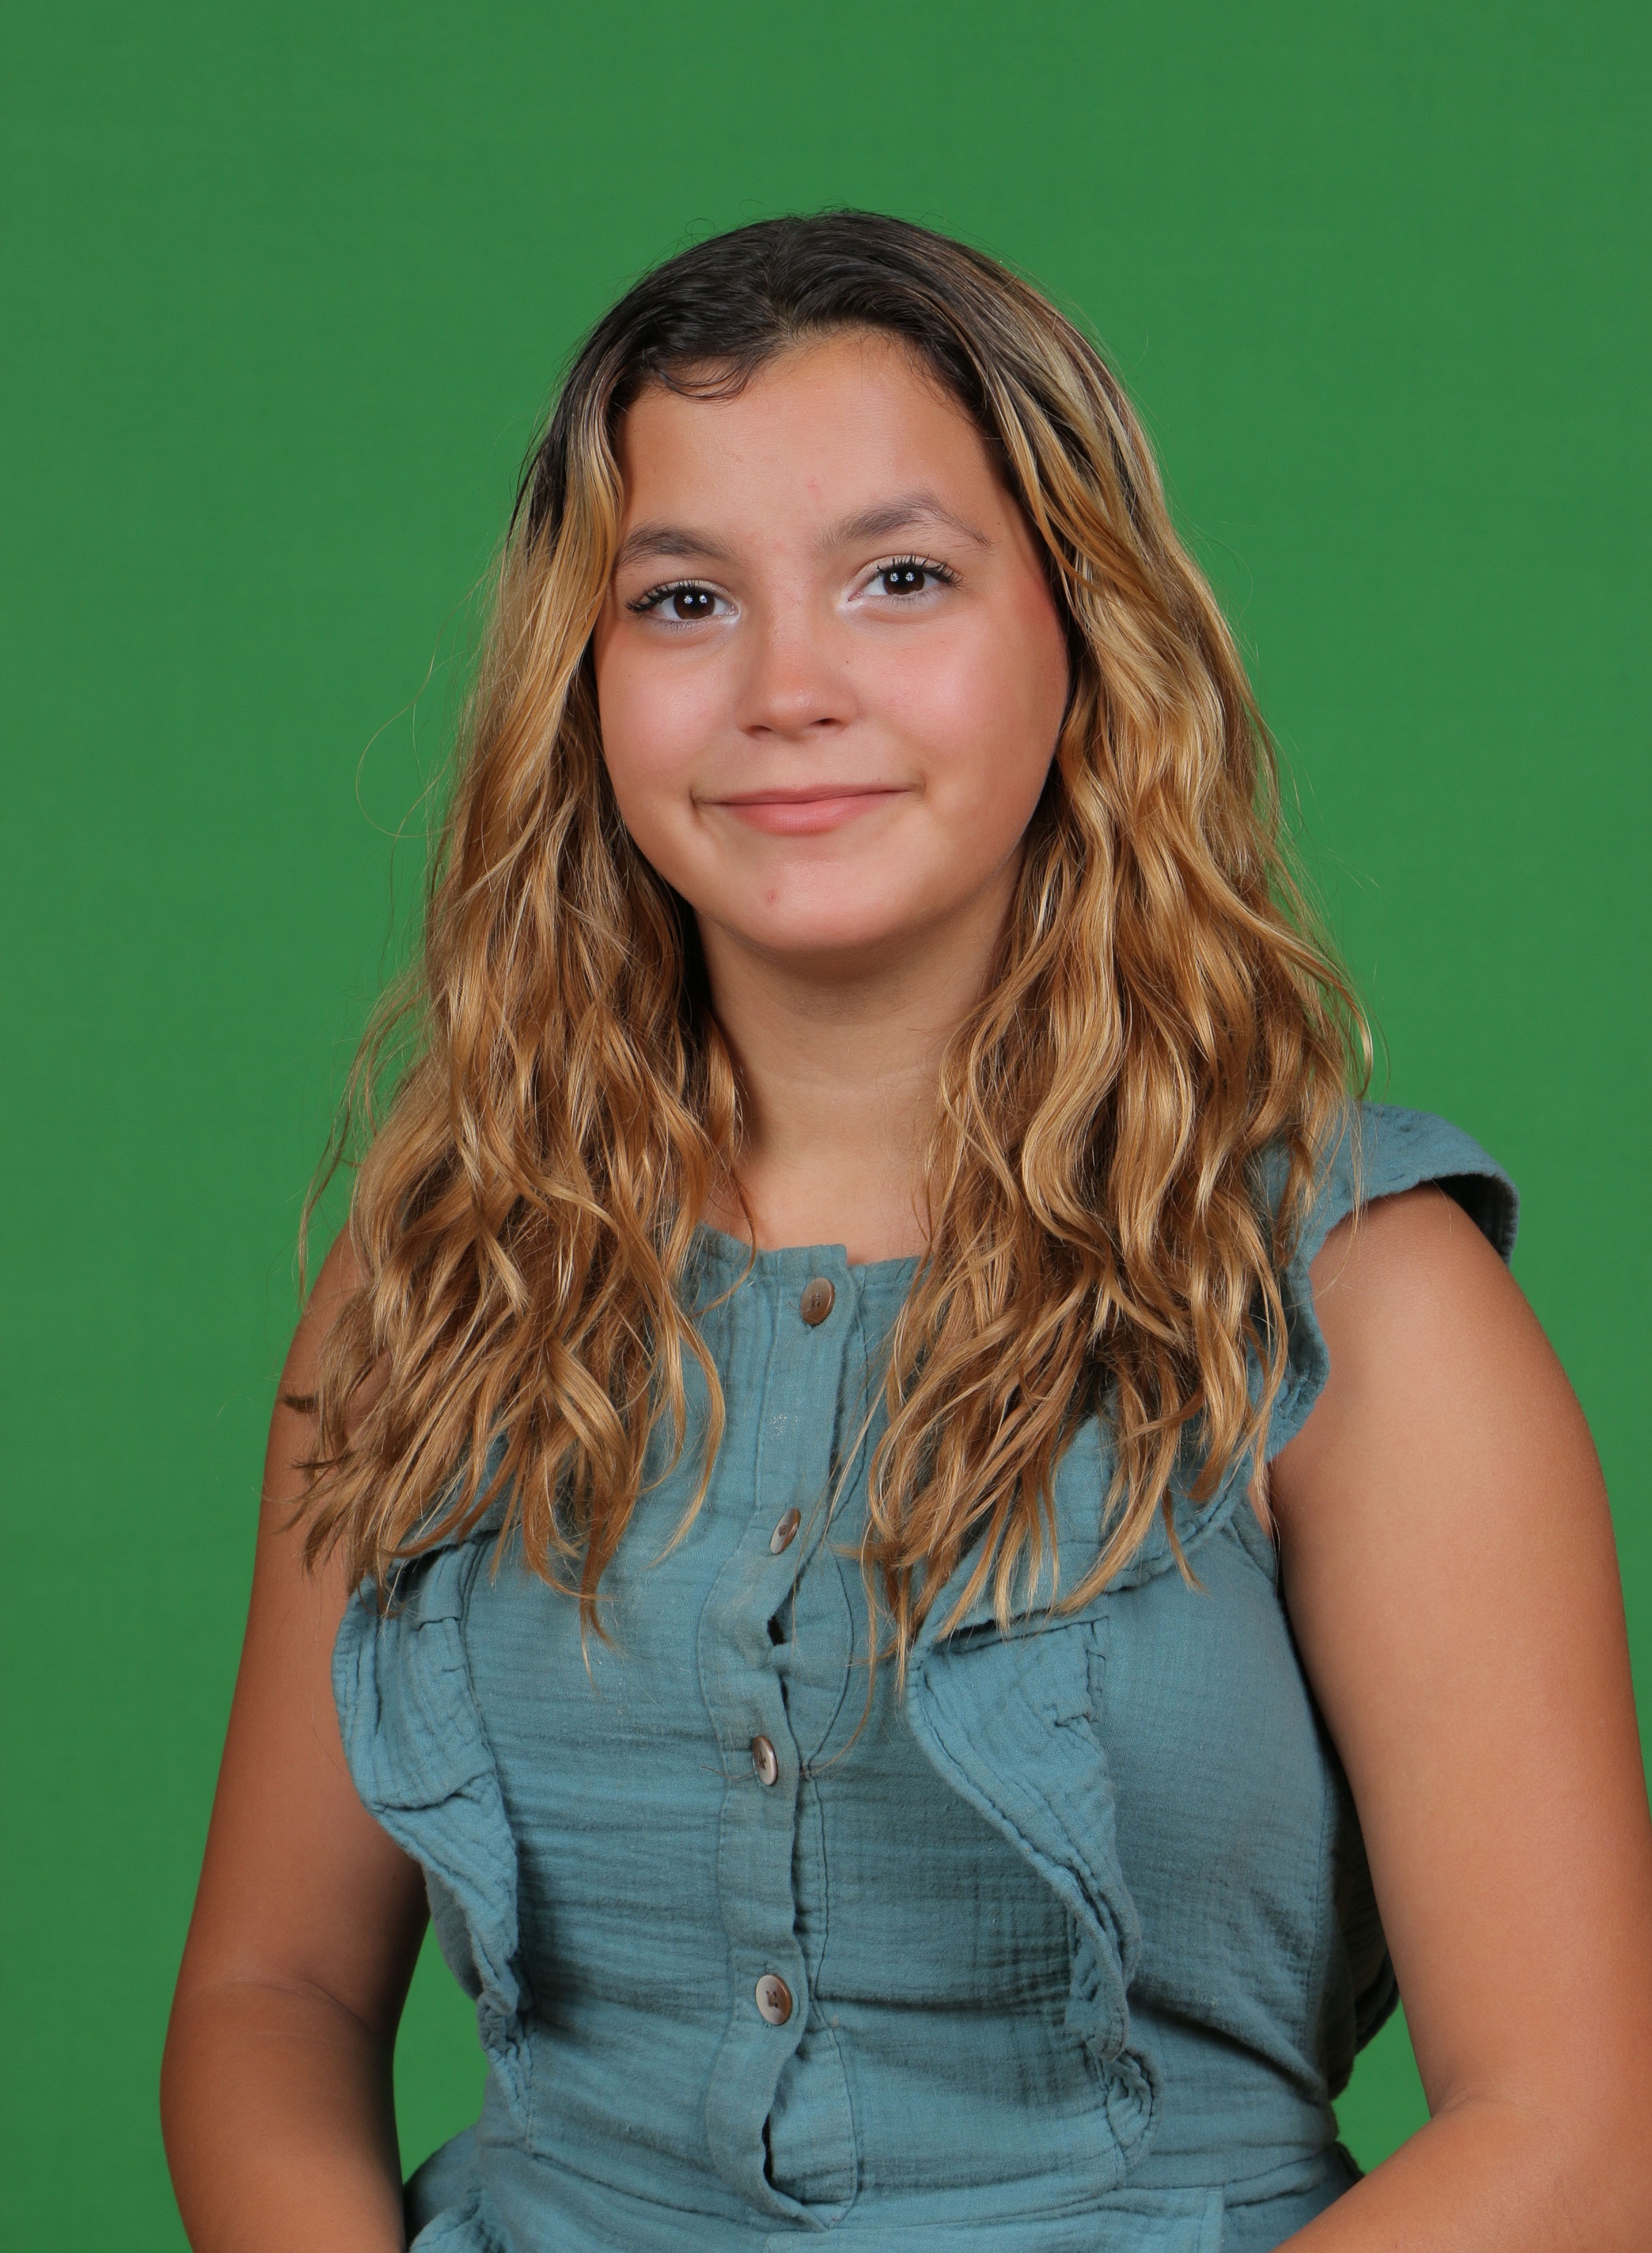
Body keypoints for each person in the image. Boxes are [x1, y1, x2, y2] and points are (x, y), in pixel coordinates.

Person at [161, 213, 1652, 2252]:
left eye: (901, 578)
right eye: (684, 599)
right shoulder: (441, 1275)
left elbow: (1576, 2139)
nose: (789, 689)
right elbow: (274, 2000)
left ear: (1084, 633)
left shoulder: (1362, 1303)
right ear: (583, 682)